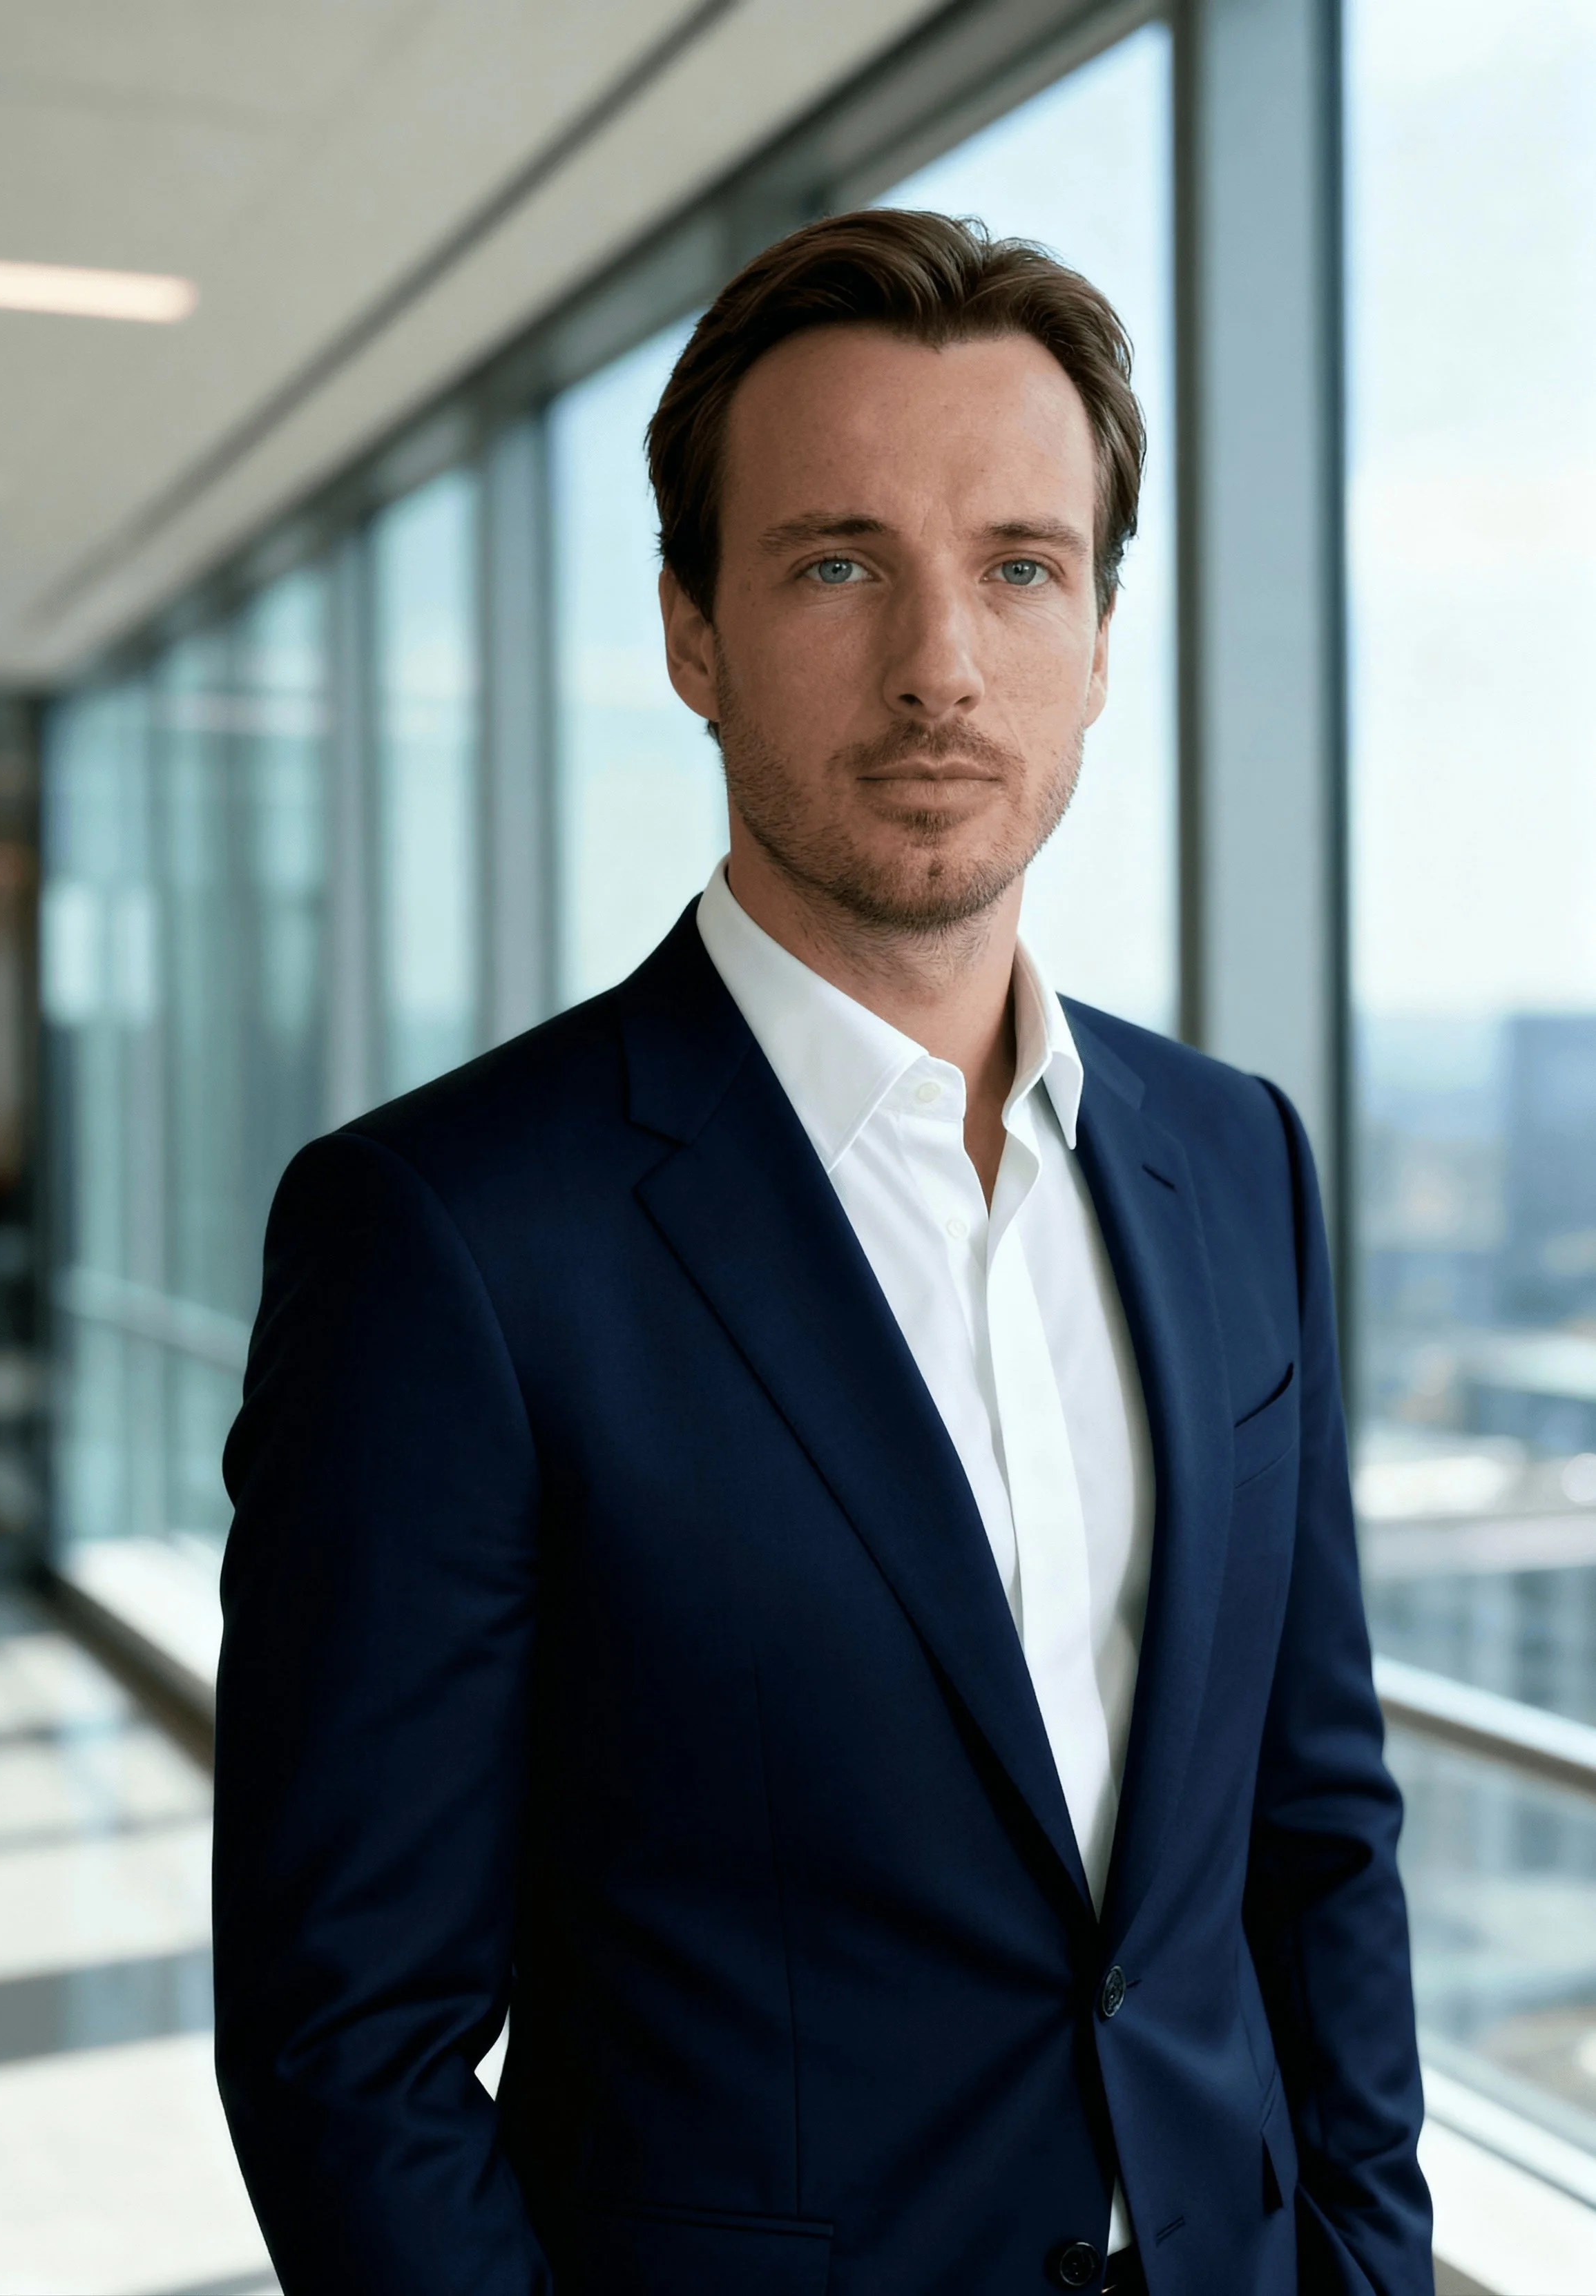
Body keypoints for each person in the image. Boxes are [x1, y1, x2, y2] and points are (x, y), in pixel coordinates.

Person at [213, 210, 1433, 2296]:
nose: (939, 661)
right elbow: (350, 2043)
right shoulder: (448, 1238)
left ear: (1100, 637)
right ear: (690, 628)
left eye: (1017, 567)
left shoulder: (1234, 1163)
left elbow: (1314, 1846)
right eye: (837, 560)